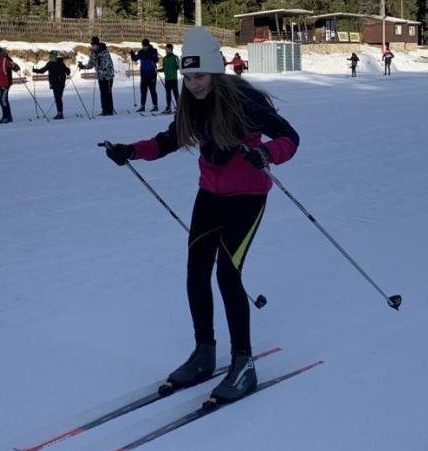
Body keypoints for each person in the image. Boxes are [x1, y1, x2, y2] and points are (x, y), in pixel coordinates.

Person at [102, 27, 299, 404]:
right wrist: (130, 150)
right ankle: (204, 353)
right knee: (196, 271)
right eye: (187, 77)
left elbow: (289, 136)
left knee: (227, 273)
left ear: (215, 72)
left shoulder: (244, 100)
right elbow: (168, 140)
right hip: (209, 194)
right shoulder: (191, 103)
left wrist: (268, 154)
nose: (192, 84)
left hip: (247, 196)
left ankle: (244, 363)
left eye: (199, 76)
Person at [81, 36, 116, 115]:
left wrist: (99, 68)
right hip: (100, 76)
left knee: (108, 93)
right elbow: (90, 64)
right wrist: (83, 66)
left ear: (98, 45)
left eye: (94, 45)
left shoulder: (104, 52)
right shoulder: (93, 53)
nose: (93, 47)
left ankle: (109, 111)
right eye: (92, 45)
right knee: (103, 93)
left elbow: (107, 65)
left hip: (108, 76)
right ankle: (104, 110)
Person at [32, 50, 71, 118]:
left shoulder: (60, 63)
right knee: (58, 98)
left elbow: (67, 71)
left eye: (52, 56)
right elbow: (43, 70)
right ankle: (60, 113)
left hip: (61, 83)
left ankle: (60, 113)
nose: (50, 58)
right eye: (50, 57)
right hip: (54, 83)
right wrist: (36, 70)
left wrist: (68, 70)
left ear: (55, 56)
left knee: (58, 98)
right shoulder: (50, 64)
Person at [130, 38, 160, 112]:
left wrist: (151, 57)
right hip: (144, 74)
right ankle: (142, 106)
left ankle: (155, 106)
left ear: (148, 45)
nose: (144, 47)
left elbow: (156, 59)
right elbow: (135, 59)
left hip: (152, 73)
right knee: (143, 91)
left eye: (145, 46)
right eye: (143, 46)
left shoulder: (153, 50)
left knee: (152, 90)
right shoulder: (141, 52)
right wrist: (132, 54)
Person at [160, 42, 180, 113]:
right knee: (168, 94)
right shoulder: (164, 59)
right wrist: (158, 70)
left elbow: (178, 66)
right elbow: (164, 68)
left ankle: (179, 107)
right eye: (166, 49)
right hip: (167, 79)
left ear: (171, 50)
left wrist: (179, 64)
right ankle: (168, 107)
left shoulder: (175, 57)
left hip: (173, 79)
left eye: (168, 49)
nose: (166, 50)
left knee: (175, 93)